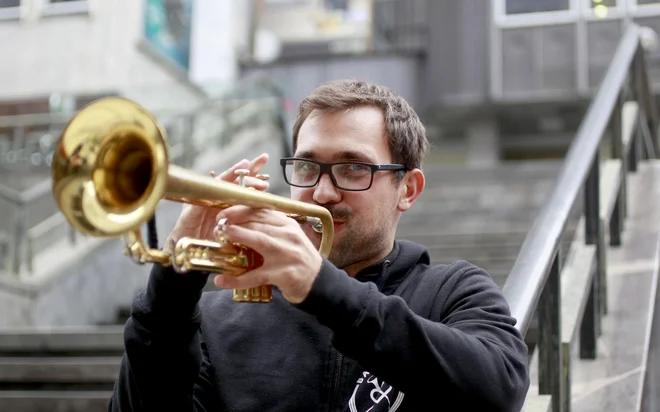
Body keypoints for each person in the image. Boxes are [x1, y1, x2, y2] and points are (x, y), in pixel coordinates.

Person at [108, 79, 530, 411]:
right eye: (307, 166)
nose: (322, 193)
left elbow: (499, 392)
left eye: (351, 168)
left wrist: (322, 288)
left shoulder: (453, 292)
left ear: (408, 188)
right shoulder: (215, 316)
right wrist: (171, 290)